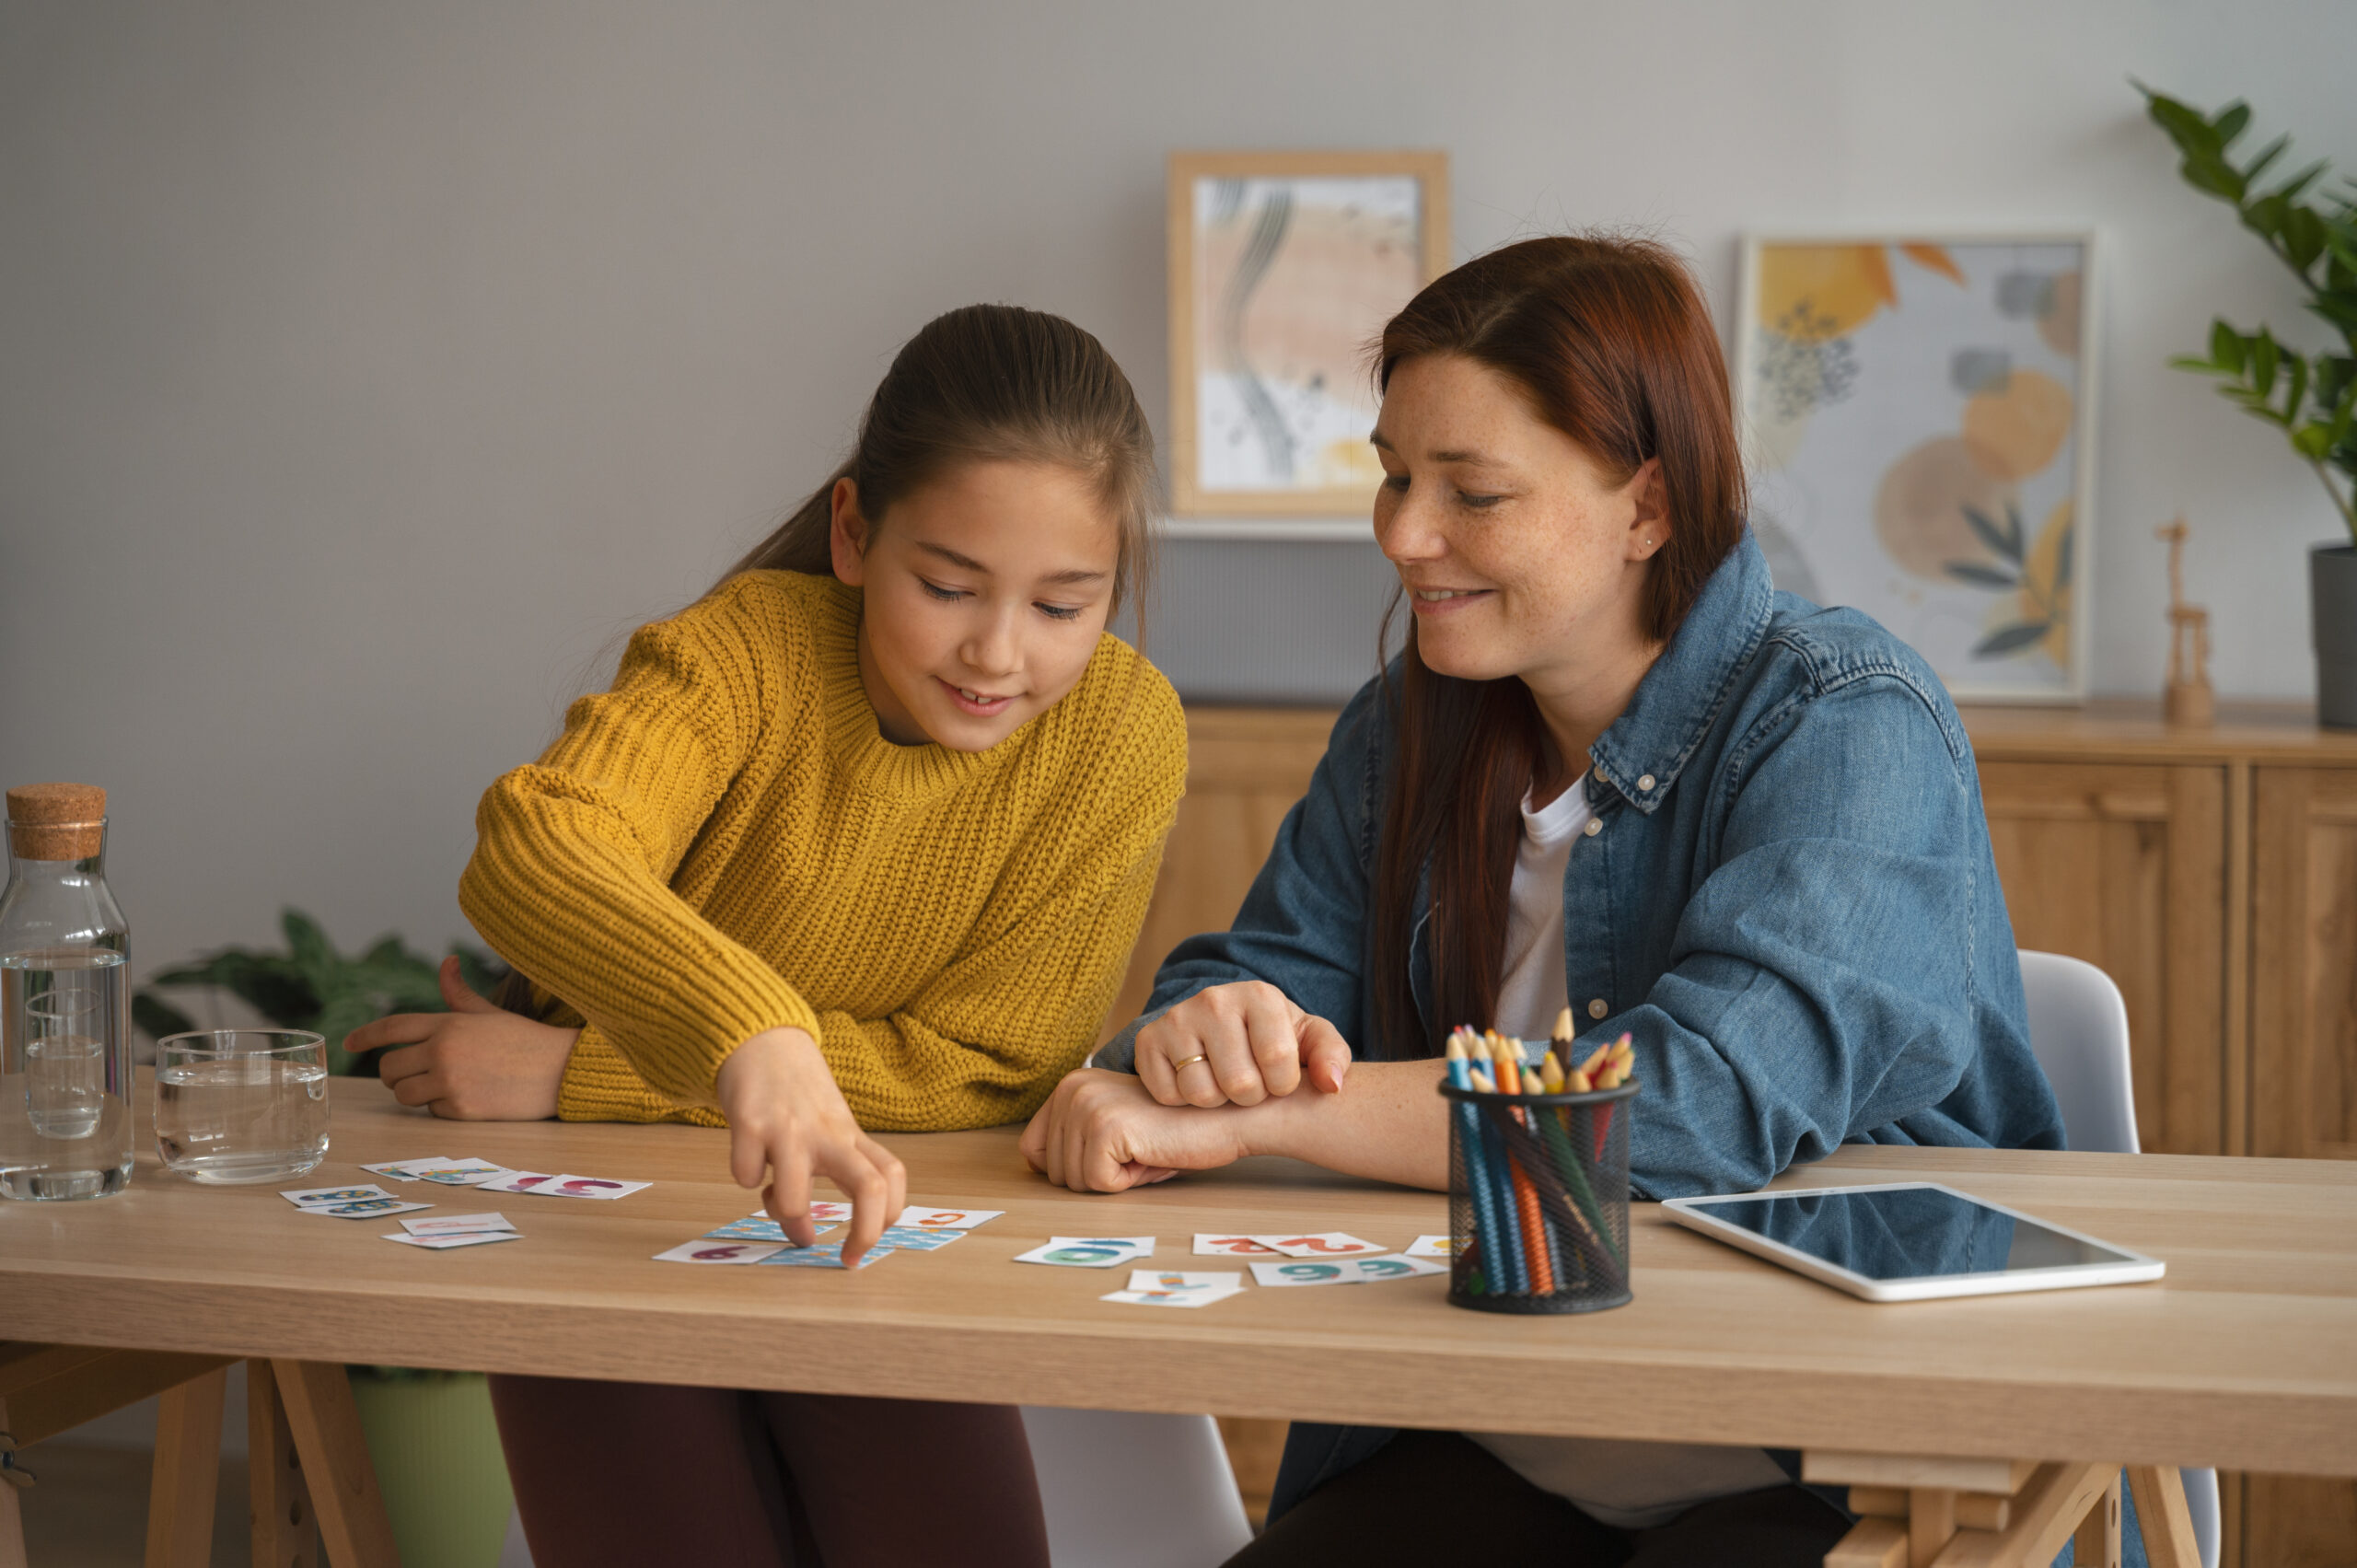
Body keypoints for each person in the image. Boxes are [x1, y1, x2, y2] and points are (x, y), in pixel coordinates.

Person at [1019, 237, 2069, 1567]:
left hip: (1828, 1462)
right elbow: (1261, 975)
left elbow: (1694, 1103)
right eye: (1396, 475)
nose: (1404, 534)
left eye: (1475, 491)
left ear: (1648, 507)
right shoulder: (1404, 731)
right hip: (1495, 1434)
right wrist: (1198, 1038)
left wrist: (1276, 1112)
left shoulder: (1847, 718)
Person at [348, 304, 1187, 1568]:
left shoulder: (1125, 734)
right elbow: (536, 841)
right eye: (947, 586)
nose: (997, 653)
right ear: (854, 533)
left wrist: (588, 1074)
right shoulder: (741, 654)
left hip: (872, 1236)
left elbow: (991, 1069)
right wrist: (750, 1036)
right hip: (606, 1224)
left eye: (1067, 605)